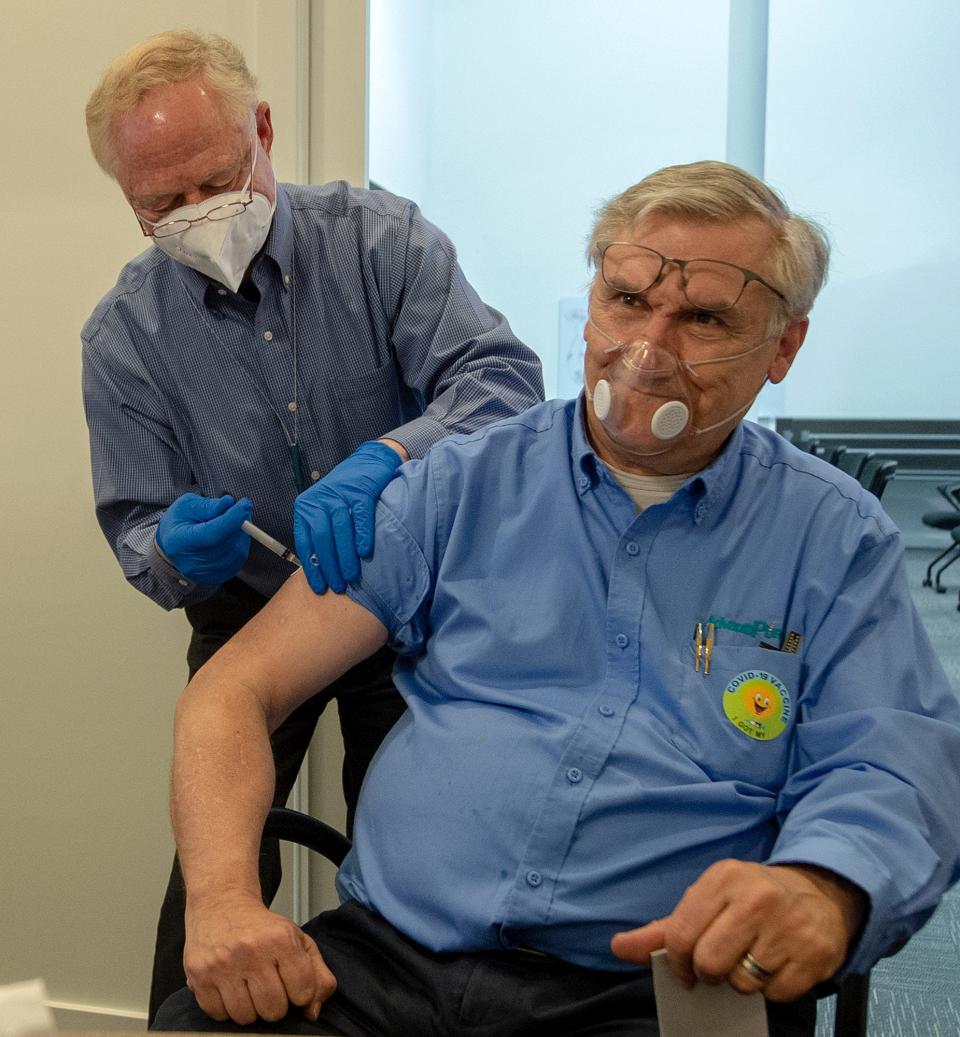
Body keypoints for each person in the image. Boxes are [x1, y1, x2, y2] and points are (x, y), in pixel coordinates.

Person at [153, 161, 960, 1037]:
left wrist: (824, 887)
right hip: (387, 961)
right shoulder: (459, 486)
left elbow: (896, 766)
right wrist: (226, 899)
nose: (648, 348)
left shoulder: (832, 538)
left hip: (653, 991)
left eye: (704, 317)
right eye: (625, 300)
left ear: (784, 347)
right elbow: (235, 689)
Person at [80, 29, 544, 1025]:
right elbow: (135, 525)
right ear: (126, 194)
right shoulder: (126, 336)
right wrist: (173, 547)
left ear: (264, 130)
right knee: (215, 867)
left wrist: (394, 455)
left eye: (214, 176)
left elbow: (502, 383)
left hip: (410, 599)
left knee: (420, 842)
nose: (197, 214)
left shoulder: (383, 242)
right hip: (253, 609)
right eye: (161, 203)